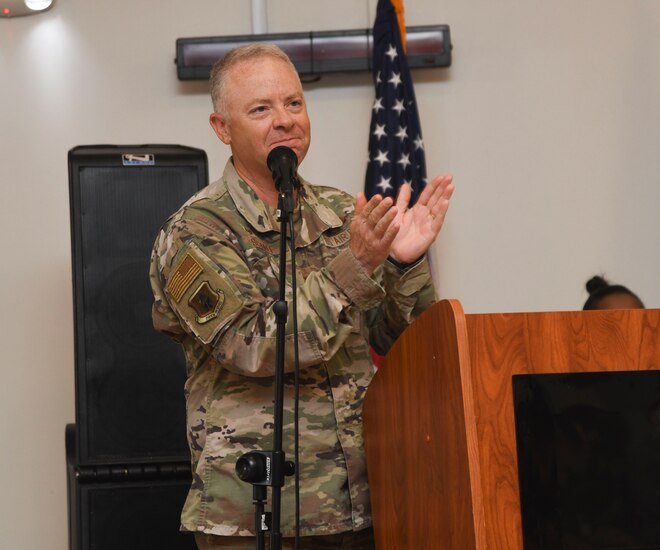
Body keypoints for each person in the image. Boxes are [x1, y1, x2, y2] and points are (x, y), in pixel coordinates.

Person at [149, 43, 454, 549]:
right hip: (254, 514)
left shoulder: (342, 212)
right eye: (261, 109)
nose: (285, 121)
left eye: (294, 103)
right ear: (222, 128)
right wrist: (353, 267)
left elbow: (393, 342)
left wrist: (403, 264)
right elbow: (252, 345)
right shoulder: (195, 232)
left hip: (363, 500)